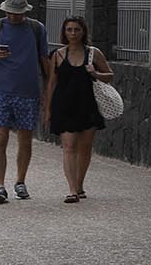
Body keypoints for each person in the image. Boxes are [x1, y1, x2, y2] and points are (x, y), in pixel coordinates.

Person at [0, 0, 49, 205]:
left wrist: (47, 91)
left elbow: (45, 61)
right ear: (5, 11)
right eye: (11, 13)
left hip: (28, 92)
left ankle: (20, 182)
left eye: (18, 14)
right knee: (0, 138)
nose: (14, 17)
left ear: (25, 12)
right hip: (0, 92)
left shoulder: (36, 29)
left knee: (25, 139)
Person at [42, 15, 114, 204]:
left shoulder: (93, 53)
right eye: (69, 30)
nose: (73, 33)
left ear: (83, 32)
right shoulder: (57, 55)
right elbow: (51, 84)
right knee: (68, 147)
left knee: (85, 147)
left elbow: (109, 76)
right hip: (64, 105)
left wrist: (95, 72)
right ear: (64, 33)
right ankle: (72, 190)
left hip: (87, 105)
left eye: (77, 30)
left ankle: (80, 184)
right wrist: (47, 109)